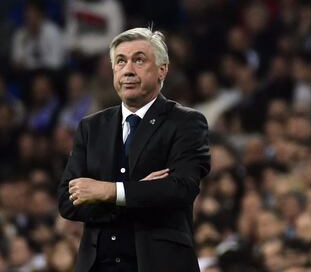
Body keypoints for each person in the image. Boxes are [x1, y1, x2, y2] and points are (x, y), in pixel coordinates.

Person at [57, 27, 211, 272]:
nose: (128, 70)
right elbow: (67, 201)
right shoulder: (91, 127)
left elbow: (181, 188)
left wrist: (108, 190)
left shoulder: (186, 122)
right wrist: (141, 192)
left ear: (163, 70)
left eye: (139, 60)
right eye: (120, 61)